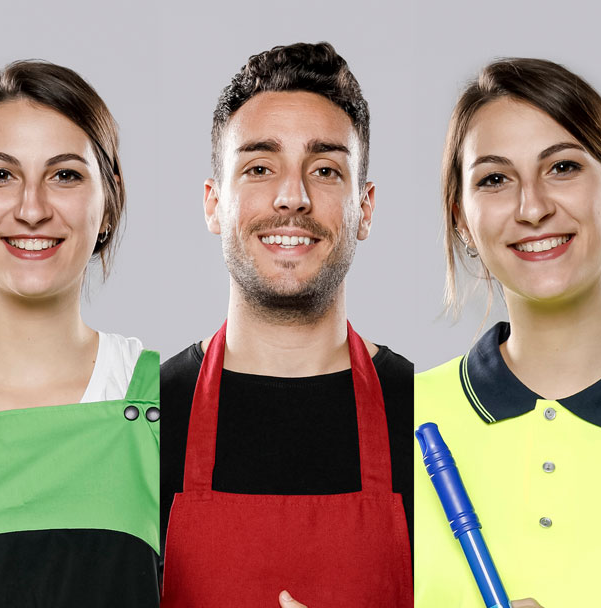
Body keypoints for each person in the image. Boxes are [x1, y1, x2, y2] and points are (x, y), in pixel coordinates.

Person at [158, 42, 412, 608]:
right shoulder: (143, 420)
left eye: (324, 169)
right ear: (214, 204)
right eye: (259, 167)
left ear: (364, 208)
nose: (292, 197)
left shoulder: (429, 415)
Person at [0, 60, 157, 608]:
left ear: (108, 203)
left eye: (65, 174)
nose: (32, 208)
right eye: (0, 174)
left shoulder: (171, 401)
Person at [415, 57, 601, 608]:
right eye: (495, 179)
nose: (533, 207)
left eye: (562, 167)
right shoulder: (390, 416)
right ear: (461, 221)